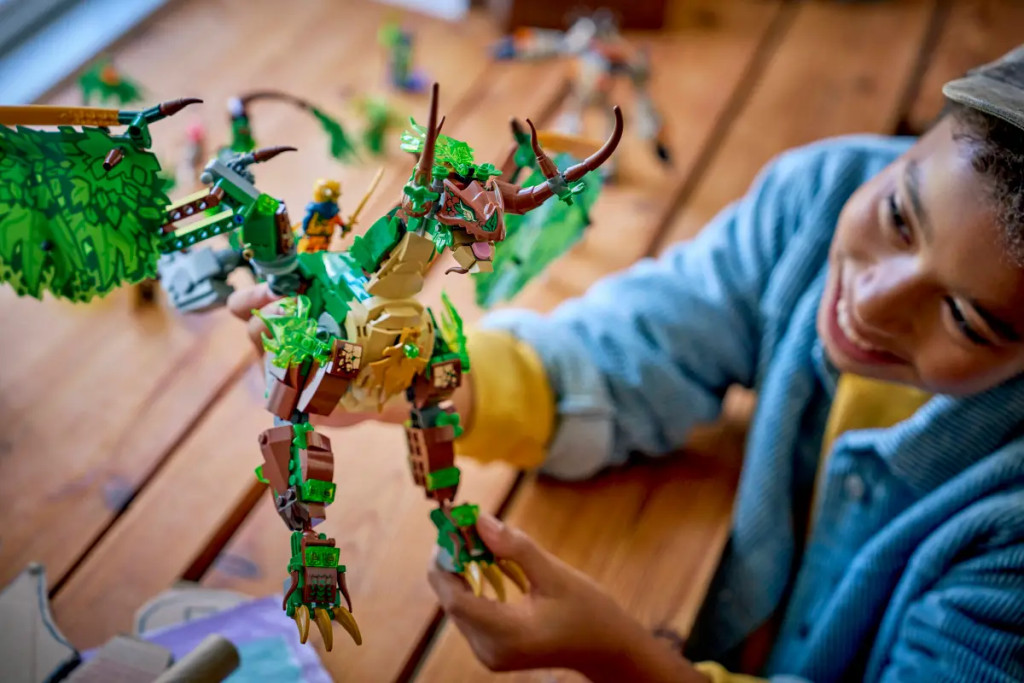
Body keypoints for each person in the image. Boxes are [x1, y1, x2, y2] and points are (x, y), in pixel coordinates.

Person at [229, 47, 1024, 682]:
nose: (874, 303)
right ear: (914, 145)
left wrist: (624, 658)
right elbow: (640, 345)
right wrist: (431, 380)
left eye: (966, 318)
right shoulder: (816, 197)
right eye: (899, 215)